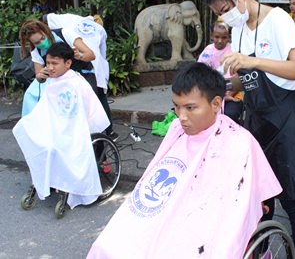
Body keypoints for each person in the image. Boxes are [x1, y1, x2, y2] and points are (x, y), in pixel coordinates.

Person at [87, 62, 282, 258]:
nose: (181, 117)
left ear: (216, 104)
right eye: (176, 107)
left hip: (207, 224)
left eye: (190, 108)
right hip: (168, 213)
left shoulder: (239, 142)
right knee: (107, 247)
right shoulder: (176, 131)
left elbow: (239, 201)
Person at [203, 0, 295, 258]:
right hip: (257, 119)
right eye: (219, 14)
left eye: (225, 10)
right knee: (260, 198)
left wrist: (253, 60)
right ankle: (262, 252)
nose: (225, 18)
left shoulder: (277, 20)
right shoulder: (239, 28)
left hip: (286, 119)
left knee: (294, 201)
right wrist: (221, 86)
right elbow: (249, 78)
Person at [13, 42, 110, 209]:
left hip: (73, 130)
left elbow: (83, 112)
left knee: (58, 147)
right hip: (55, 127)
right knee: (29, 134)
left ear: (68, 63)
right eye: (48, 63)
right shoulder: (50, 81)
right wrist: (40, 80)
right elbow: (46, 109)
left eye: (54, 63)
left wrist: (69, 129)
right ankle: (48, 179)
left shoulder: (76, 82)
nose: (50, 67)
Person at [45, 13, 118, 140]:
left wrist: (78, 57)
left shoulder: (67, 30)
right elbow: (101, 53)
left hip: (85, 67)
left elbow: (91, 54)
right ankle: (107, 132)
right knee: (98, 100)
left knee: (89, 106)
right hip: (91, 66)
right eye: (48, 63)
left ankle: (98, 137)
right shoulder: (96, 28)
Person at [19, 19, 96, 116]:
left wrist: (79, 56)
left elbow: (91, 55)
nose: (41, 43)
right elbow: (39, 76)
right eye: (37, 43)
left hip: (82, 75)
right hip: (60, 81)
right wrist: (40, 76)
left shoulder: (65, 33)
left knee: (85, 101)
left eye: (42, 38)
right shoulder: (36, 51)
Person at [198, 19, 243, 123]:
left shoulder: (234, 50)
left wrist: (228, 95)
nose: (220, 40)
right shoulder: (207, 51)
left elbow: (240, 77)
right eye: (217, 37)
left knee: (229, 114)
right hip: (211, 94)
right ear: (211, 36)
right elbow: (200, 74)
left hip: (233, 93)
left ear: (229, 37)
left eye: (224, 37)